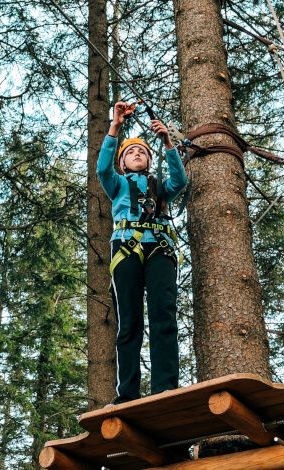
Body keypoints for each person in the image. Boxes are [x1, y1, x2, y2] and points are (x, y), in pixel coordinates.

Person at [97, 101, 188, 405]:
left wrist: (166, 142)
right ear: (122, 163)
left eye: (142, 152)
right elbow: (101, 168)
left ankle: (165, 388)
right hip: (126, 249)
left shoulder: (161, 186)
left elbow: (181, 180)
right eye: (130, 152)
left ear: (149, 160)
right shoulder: (118, 184)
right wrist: (115, 126)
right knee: (130, 322)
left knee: (164, 315)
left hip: (160, 249)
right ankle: (128, 394)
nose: (137, 154)